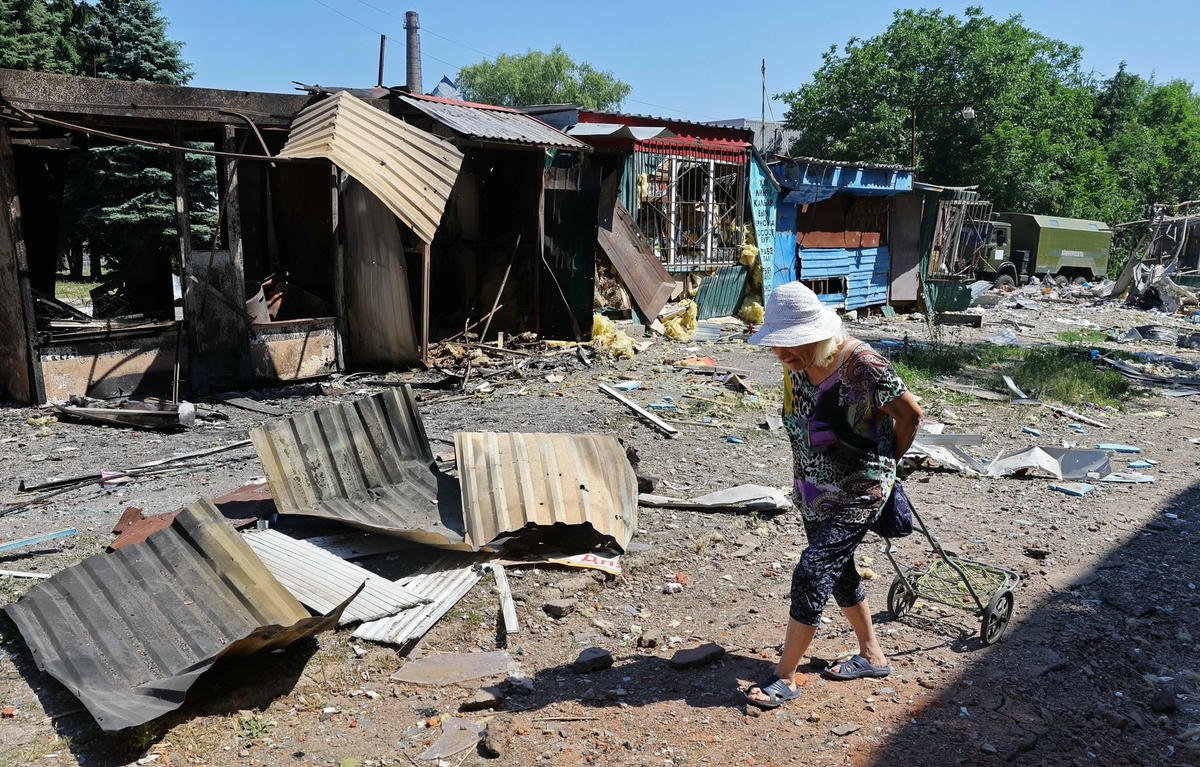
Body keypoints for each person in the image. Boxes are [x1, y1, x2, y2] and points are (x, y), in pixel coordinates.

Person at [743, 281, 922, 709]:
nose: (784, 357)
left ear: (819, 335)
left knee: (811, 570)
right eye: (779, 348)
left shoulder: (863, 364)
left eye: (792, 347)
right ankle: (873, 655)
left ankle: (784, 676)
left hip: (859, 487)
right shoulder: (796, 364)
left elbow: (911, 414)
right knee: (838, 571)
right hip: (812, 488)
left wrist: (887, 465)